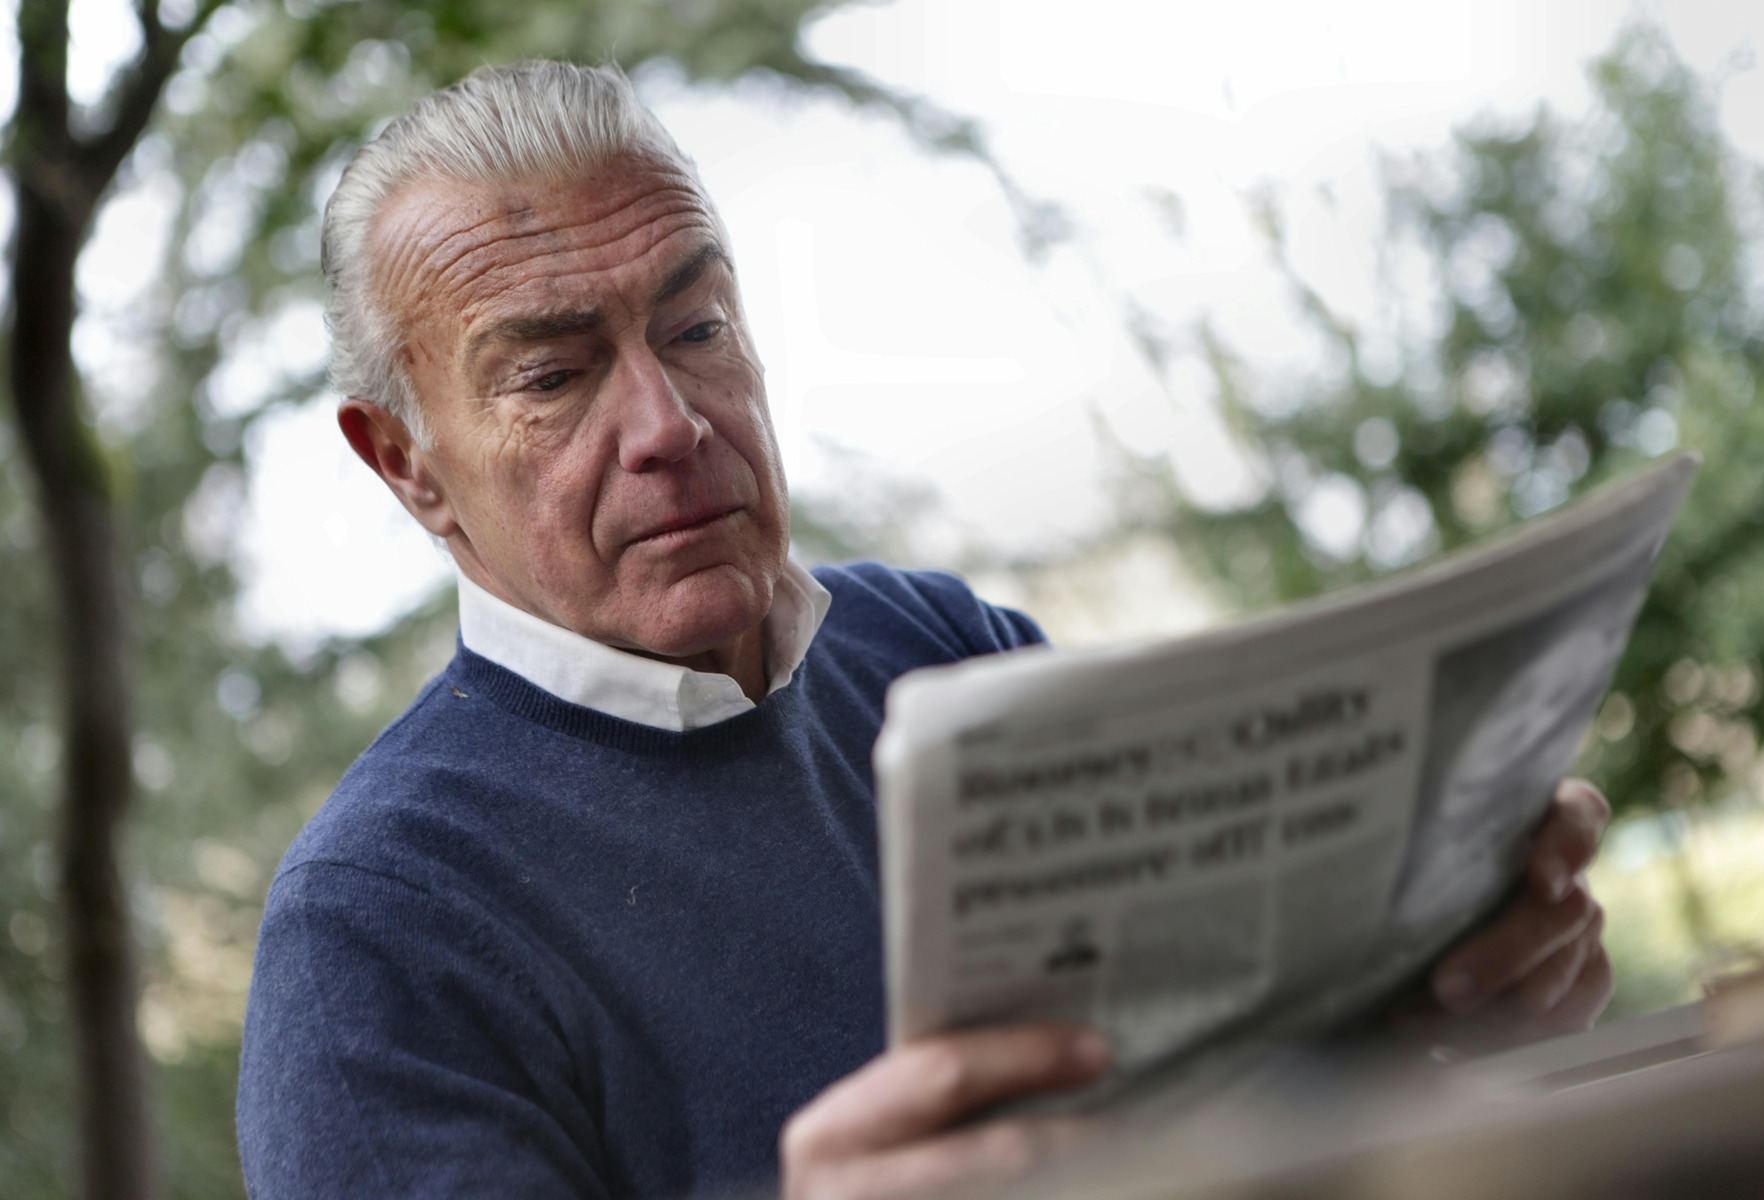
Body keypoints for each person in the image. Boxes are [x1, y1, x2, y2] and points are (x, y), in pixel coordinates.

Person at [236, 60, 1614, 1200]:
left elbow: (1228, 1089)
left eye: (697, 325)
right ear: (406, 463)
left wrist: (1431, 1015)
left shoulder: (944, 650)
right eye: (551, 374)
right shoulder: (380, 933)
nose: (667, 423)